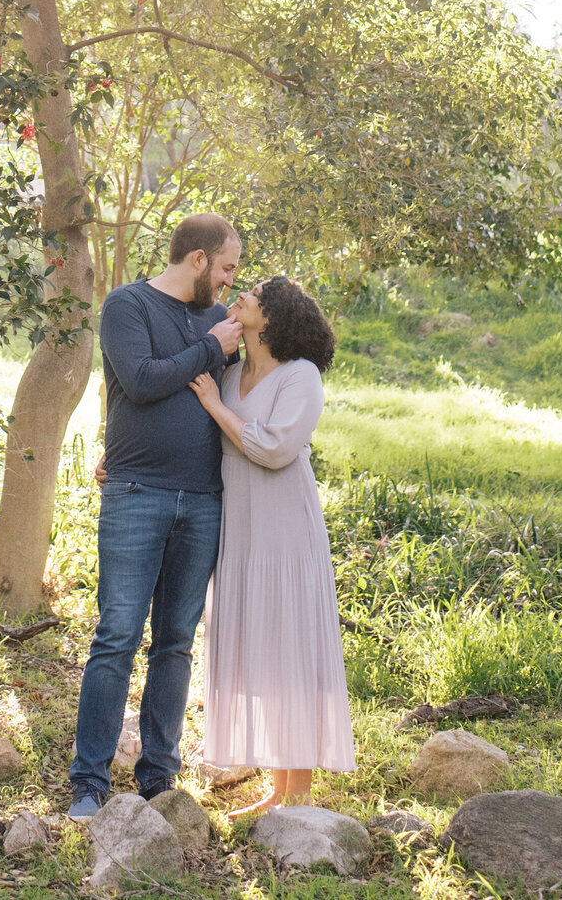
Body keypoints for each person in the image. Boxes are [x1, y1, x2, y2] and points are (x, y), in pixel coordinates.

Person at [67, 213, 243, 819]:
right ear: (197, 259)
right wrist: (209, 348)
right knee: (116, 635)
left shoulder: (222, 320)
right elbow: (139, 381)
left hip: (204, 498)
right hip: (136, 491)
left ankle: (158, 779)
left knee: (175, 642)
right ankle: (88, 783)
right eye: (225, 268)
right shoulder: (127, 305)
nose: (228, 282)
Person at [189, 275, 355, 814]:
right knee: (262, 651)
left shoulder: (299, 376)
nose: (241, 296)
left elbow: (278, 448)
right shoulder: (231, 372)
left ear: (273, 316)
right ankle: (277, 789)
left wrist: (217, 407)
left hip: (284, 531)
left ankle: (298, 794)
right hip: (241, 530)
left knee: (290, 649)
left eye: (253, 295)